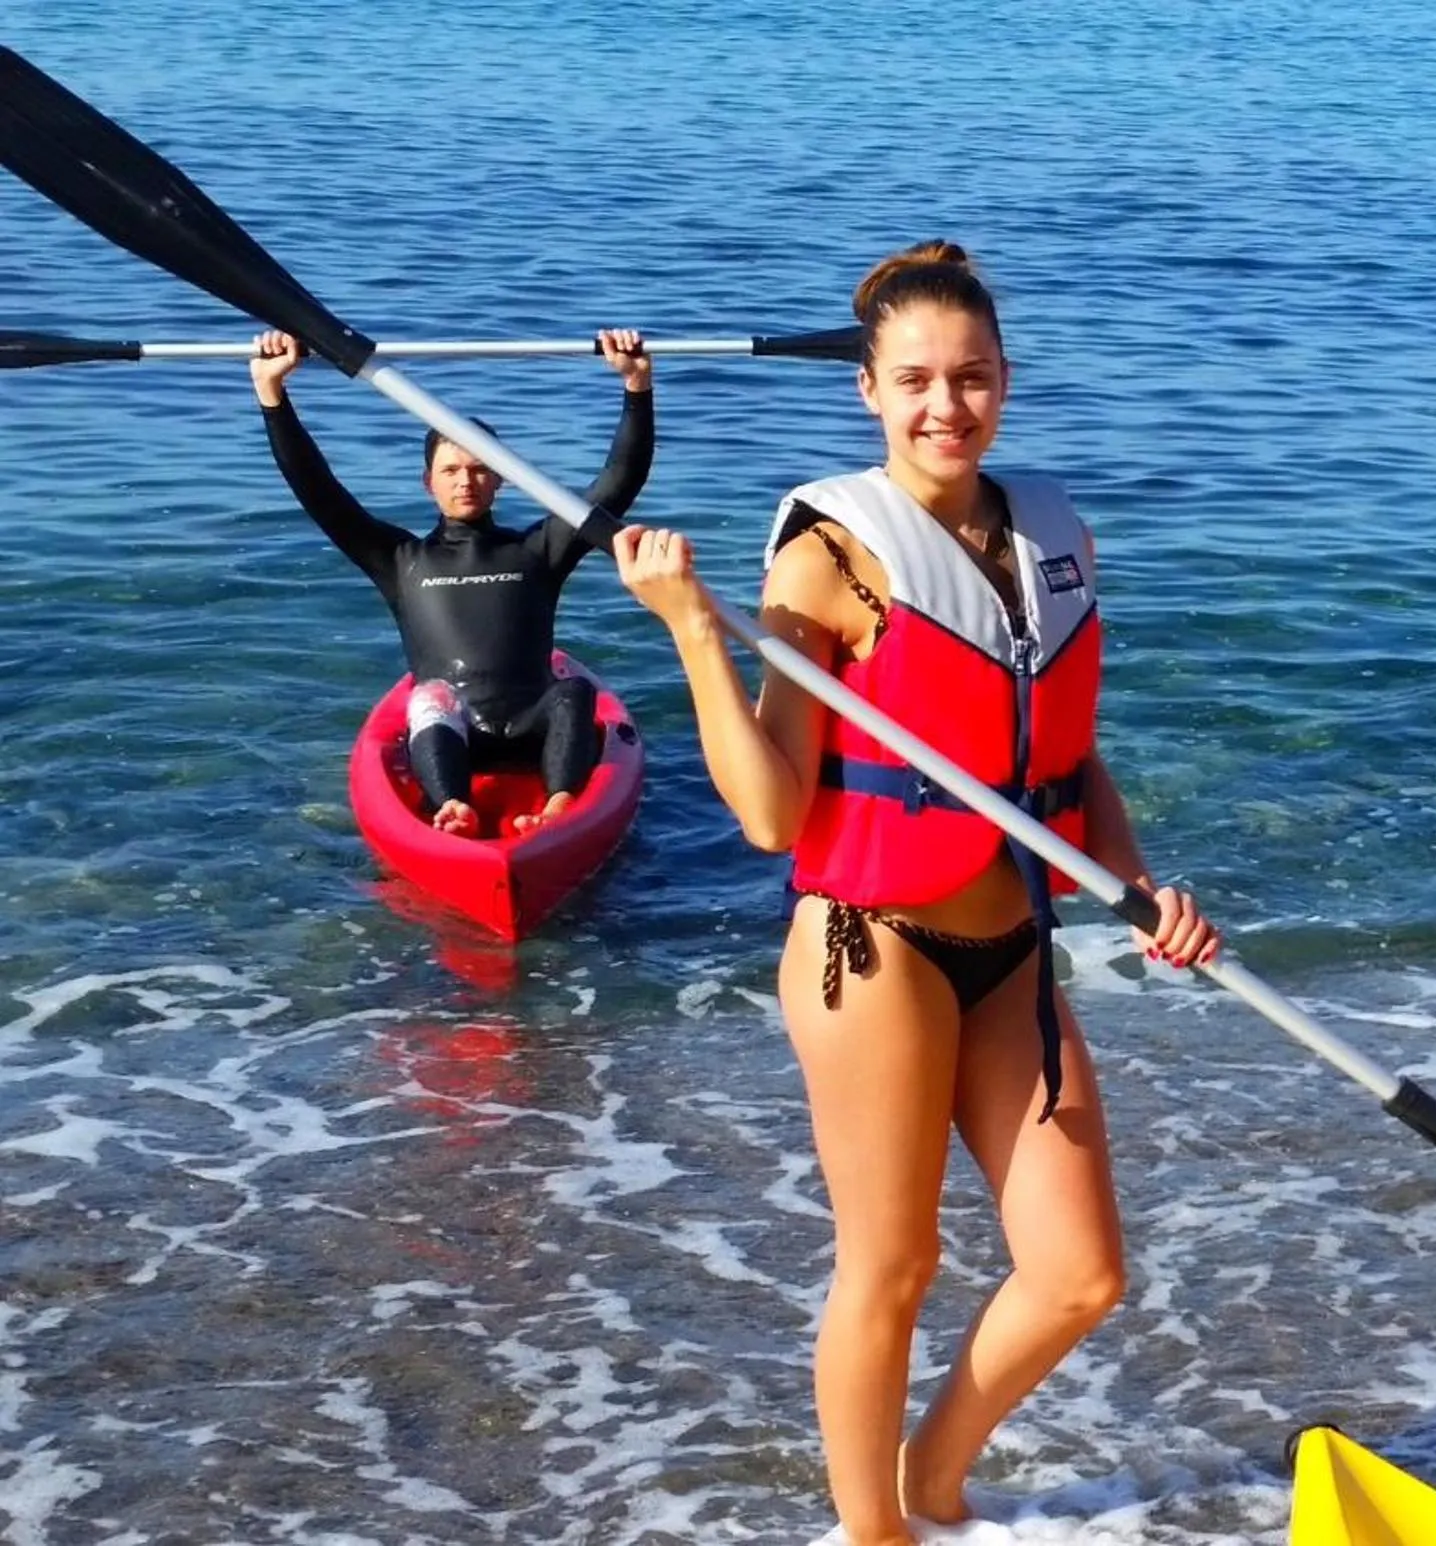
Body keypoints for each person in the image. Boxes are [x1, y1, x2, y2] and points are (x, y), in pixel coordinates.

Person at [610, 241, 1220, 1543]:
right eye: (917, 382)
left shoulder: (1051, 532)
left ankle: (932, 1479)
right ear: (870, 393)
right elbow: (774, 808)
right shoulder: (831, 553)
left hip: (1014, 948)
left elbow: (1067, 756)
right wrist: (687, 629)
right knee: (893, 1266)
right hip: (870, 950)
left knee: (1080, 1273)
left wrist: (1139, 885)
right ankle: (873, 1535)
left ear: (1006, 380)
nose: (948, 405)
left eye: (973, 376)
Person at [249, 326, 655, 835]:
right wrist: (273, 394)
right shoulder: (400, 558)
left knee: (574, 691)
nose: (466, 480)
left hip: (537, 725)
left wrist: (636, 386)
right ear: (428, 481)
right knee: (430, 696)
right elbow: (318, 490)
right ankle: (452, 806)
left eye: (481, 468)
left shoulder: (538, 549)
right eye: (451, 470)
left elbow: (619, 483)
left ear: (503, 478)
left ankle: (559, 806)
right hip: (451, 734)